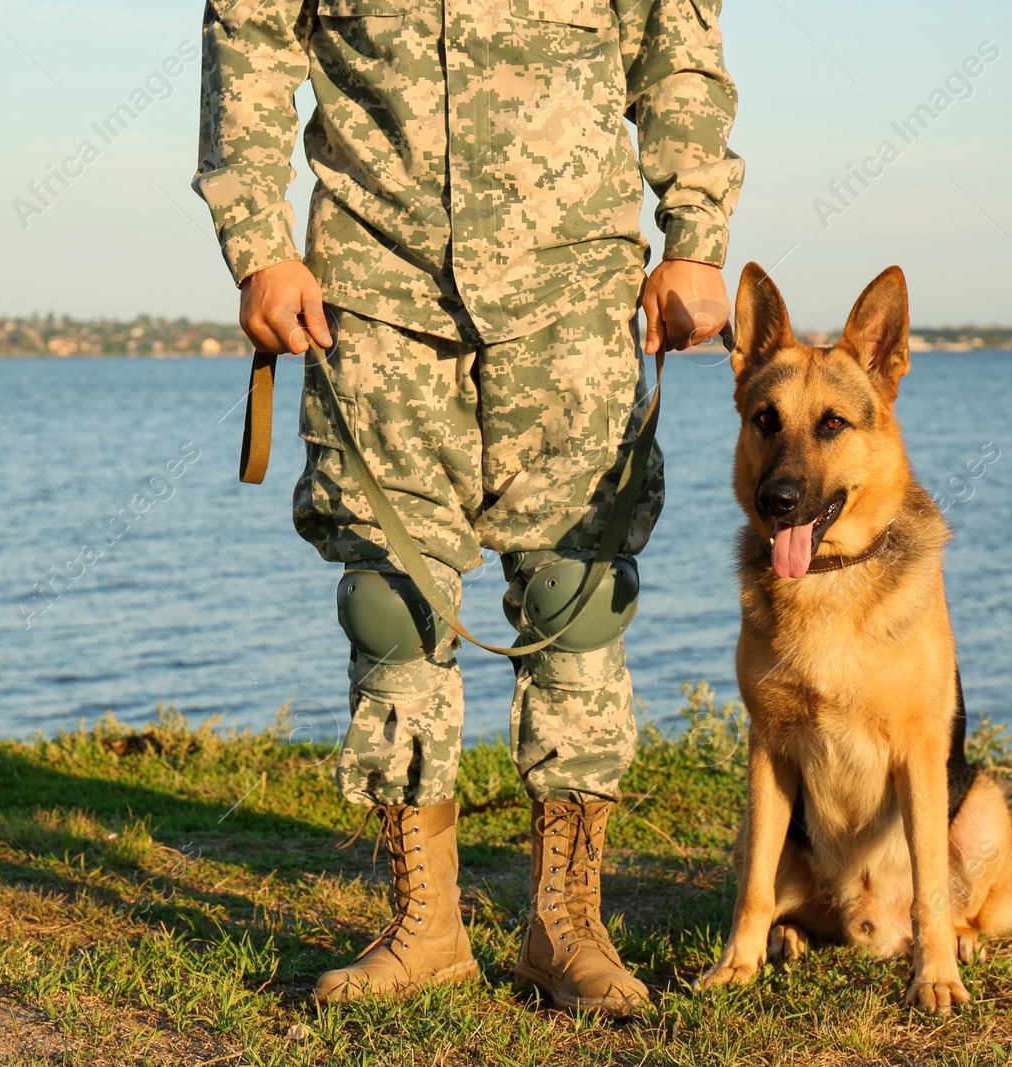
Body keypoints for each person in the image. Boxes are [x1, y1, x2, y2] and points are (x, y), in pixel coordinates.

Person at [194, 0, 741, 1016]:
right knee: (391, 602)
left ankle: (565, 926)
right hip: (373, 289)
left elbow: (676, 49)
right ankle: (425, 928)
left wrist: (697, 236)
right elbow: (250, 42)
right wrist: (259, 245)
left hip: (571, 292)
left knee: (579, 593)